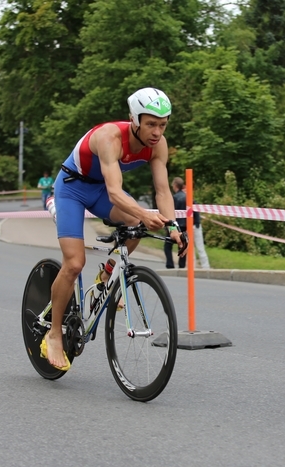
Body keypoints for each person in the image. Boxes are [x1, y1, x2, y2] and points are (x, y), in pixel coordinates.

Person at [43, 87, 188, 371]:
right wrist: (145, 214)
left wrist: (173, 226)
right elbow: (115, 193)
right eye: (150, 124)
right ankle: (54, 332)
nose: (157, 132)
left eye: (162, 125)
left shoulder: (158, 145)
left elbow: (162, 190)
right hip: (72, 188)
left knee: (135, 225)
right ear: (134, 119)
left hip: (97, 190)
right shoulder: (110, 137)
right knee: (74, 264)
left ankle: (107, 273)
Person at [164, 177, 187, 269]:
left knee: (168, 245)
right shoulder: (187, 197)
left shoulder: (175, 198)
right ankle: (182, 265)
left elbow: (171, 211)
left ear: (175, 185)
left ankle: (170, 264)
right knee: (182, 244)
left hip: (175, 225)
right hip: (185, 224)